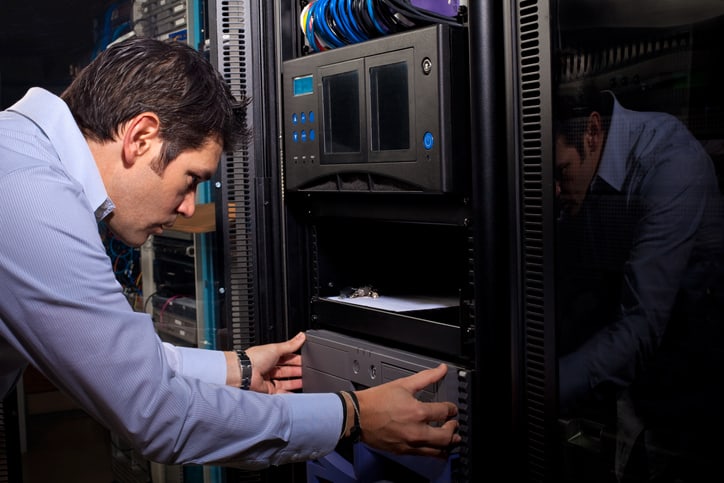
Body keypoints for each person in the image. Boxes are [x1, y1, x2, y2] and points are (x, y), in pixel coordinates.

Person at [0, 37, 460, 469]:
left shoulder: (22, 157)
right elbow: (155, 412)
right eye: (192, 179)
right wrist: (352, 416)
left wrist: (236, 368)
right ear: (140, 137)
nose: (188, 208)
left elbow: (114, 360)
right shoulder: (29, 193)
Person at [554, 87, 724, 480]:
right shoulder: (587, 177)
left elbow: (641, 325)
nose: (555, 191)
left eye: (561, 171)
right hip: (622, 364)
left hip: (689, 372)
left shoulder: (670, 166)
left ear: (592, 133)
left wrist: (541, 387)